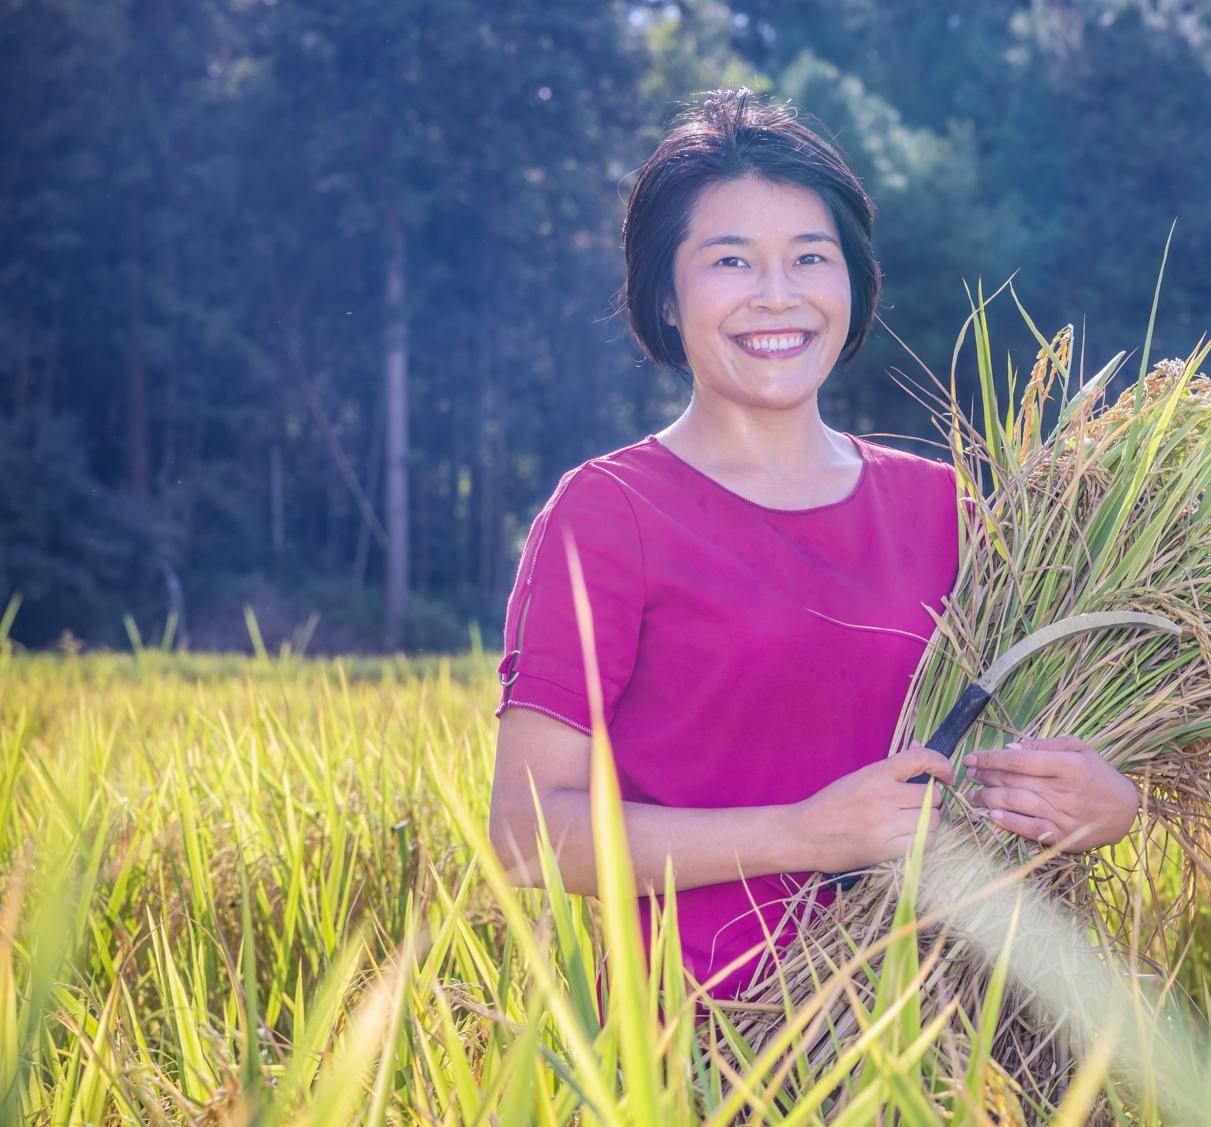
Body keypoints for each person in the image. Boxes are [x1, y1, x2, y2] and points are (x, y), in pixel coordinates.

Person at [485, 87, 1140, 1005]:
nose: (777, 295)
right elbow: (523, 833)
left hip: (955, 1048)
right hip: (709, 1067)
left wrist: (1104, 805)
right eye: (729, 261)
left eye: (809, 257)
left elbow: (1009, 752)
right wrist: (803, 834)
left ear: (852, 281)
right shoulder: (610, 513)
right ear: (667, 298)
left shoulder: (947, 507)